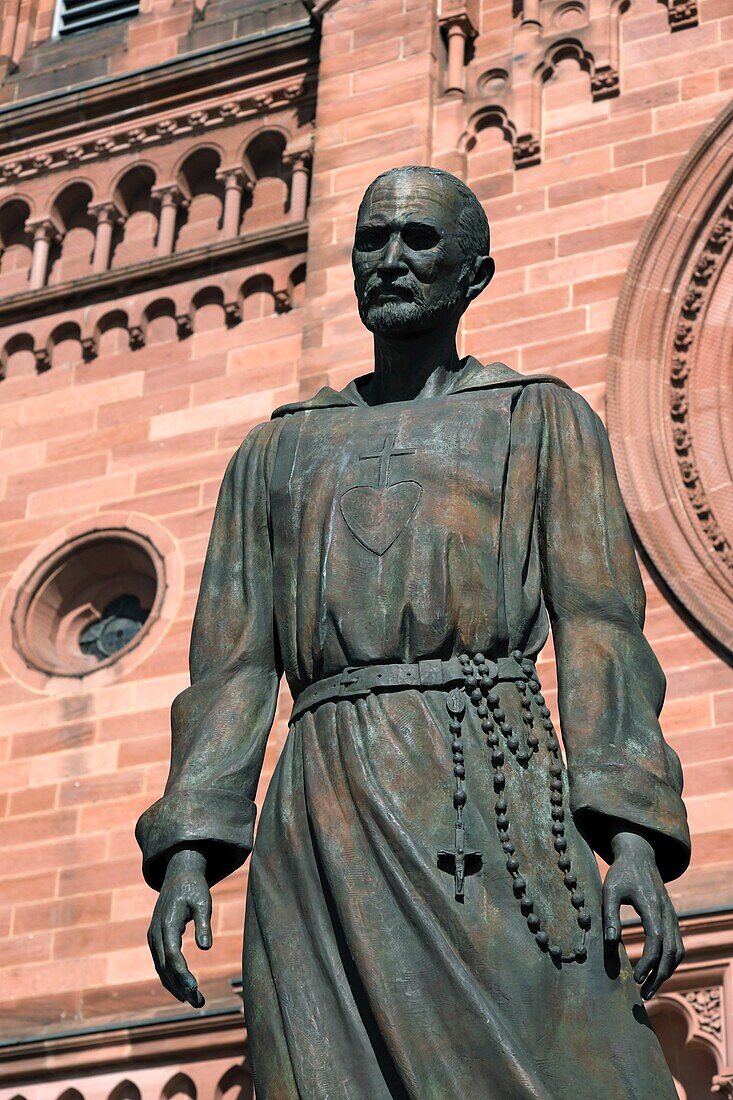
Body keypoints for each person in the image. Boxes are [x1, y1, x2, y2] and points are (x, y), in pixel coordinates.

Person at [136, 165, 691, 1098]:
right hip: (323, 803)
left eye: (420, 240)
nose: (389, 260)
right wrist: (189, 848)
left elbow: (602, 628)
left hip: (492, 783)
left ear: (473, 275)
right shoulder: (276, 449)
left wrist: (630, 836)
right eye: (370, 240)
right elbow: (232, 665)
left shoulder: (537, 418)